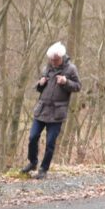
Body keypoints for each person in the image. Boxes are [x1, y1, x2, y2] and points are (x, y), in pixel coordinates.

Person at [20, 42, 81, 180]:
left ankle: (43, 169)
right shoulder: (47, 67)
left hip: (57, 112)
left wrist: (66, 82)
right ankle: (32, 162)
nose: (53, 62)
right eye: (51, 60)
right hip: (42, 109)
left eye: (56, 60)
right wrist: (39, 84)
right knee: (32, 137)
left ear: (62, 57)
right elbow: (40, 88)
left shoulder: (71, 69)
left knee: (50, 142)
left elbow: (78, 86)